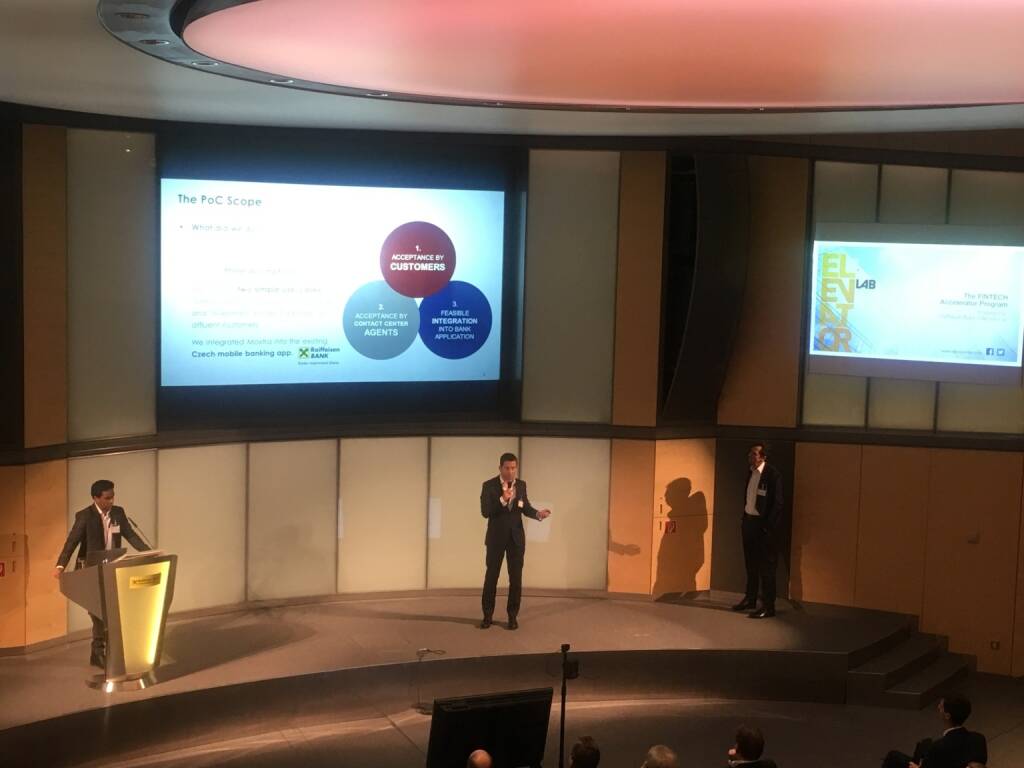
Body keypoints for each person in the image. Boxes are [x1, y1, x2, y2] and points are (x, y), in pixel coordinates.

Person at [53, 480, 148, 668]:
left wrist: (148, 552)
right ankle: (98, 651)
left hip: (113, 569)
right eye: (107, 498)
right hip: (91, 571)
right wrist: (60, 565)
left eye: (112, 497)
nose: (111, 501)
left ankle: (103, 652)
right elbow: (72, 542)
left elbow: (131, 535)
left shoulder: (118, 513)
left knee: (112, 611)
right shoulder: (85, 516)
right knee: (98, 612)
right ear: (96, 498)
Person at [479, 452, 550, 630]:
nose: (510, 472)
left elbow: (525, 507)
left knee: (516, 579)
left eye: (513, 468)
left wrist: (538, 514)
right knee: (491, 578)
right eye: (507, 468)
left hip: (516, 540)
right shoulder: (489, 486)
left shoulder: (521, 485)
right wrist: (503, 499)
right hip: (495, 539)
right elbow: (485, 512)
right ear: (500, 468)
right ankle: (487, 616)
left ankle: (512, 616)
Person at [732, 443, 784, 619]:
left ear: (763, 457)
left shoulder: (772, 475)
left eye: (754, 453)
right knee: (751, 564)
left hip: (764, 527)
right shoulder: (751, 472)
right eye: (750, 453)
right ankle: (750, 598)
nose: (750, 455)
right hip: (749, 523)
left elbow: (778, 504)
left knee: (766, 568)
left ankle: (768, 606)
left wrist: (767, 527)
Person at [882, 694, 987, 768]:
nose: (938, 707)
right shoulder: (978, 739)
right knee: (925, 745)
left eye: (941, 707)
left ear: (947, 716)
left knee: (893, 757)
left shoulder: (938, 747)